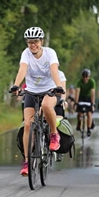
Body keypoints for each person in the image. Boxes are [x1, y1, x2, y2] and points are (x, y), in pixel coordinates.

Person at [10, 26, 65, 176]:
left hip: (50, 89)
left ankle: (54, 134)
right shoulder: (26, 54)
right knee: (27, 125)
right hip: (32, 91)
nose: (32, 45)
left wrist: (59, 86)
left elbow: (54, 70)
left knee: (47, 106)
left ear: (41, 41)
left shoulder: (50, 53)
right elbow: (22, 69)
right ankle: (27, 162)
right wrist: (16, 84)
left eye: (35, 41)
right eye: (29, 42)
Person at [74, 68, 96, 137]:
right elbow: (77, 92)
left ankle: (89, 129)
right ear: (82, 76)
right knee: (79, 113)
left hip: (88, 98)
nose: (85, 78)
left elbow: (93, 93)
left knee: (89, 113)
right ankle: (79, 123)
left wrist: (92, 103)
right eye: (84, 76)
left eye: (87, 76)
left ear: (89, 77)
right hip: (81, 97)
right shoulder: (79, 81)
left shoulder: (92, 81)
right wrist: (76, 102)